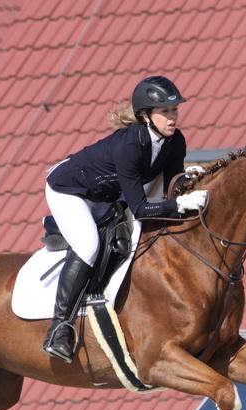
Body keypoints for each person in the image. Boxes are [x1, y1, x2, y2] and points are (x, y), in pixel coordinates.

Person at [42, 75, 207, 363]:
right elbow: (141, 208)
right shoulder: (130, 145)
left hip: (106, 194)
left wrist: (189, 181)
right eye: (165, 111)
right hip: (69, 190)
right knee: (89, 245)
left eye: (174, 110)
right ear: (146, 115)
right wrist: (179, 204)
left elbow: (171, 187)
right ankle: (59, 328)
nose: (172, 117)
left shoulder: (175, 140)